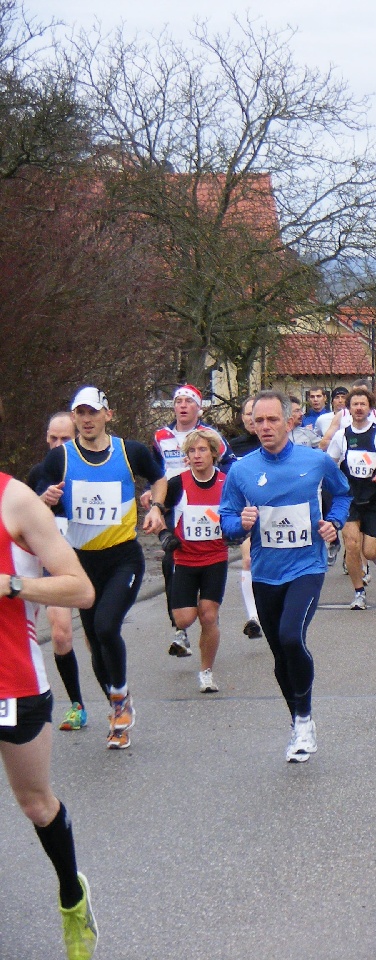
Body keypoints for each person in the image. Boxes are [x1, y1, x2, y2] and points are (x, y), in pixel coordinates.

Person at [0, 459, 99, 959]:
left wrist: (13, 585)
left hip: (12, 684)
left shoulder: (15, 500)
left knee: (36, 805)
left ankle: (72, 897)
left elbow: (80, 589)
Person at [219, 391, 352, 763]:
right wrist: (240, 524)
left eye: (272, 419)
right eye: (258, 420)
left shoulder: (315, 461)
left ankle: (305, 719)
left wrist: (334, 522)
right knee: (279, 651)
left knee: (292, 636)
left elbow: (343, 495)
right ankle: (297, 721)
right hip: (266, 572)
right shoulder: (241, 470)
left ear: (290, 420)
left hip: (307, 567)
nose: (264, 426)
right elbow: (226, 520)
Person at [36, 386, 168, 750]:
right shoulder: (60, 458)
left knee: (107, 626)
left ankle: (120, 698)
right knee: (95, 641)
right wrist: (45, 498)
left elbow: (159, 478)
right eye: (80, 413)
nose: (87, 419)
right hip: (81, 563)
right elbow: (35, 498)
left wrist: (157, 507)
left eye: (93, 412)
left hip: (123, 557)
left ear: (108, 415)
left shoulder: (130, 451)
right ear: (74, 417)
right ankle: (117, 711)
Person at [152, 384, 230, 657]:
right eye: (178, 401)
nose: (183, 406)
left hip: (206, 500)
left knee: (207, 604)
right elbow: (153, 471)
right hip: (174, 500)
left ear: (199, 408)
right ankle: (180, 628)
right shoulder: (161, 436)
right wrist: (151, 495)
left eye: (188, 401)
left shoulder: (212, 436)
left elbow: (229, 464)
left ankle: (207, 610)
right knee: (169, 562)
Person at [157, 428, 231, 693]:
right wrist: (164, 534)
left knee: (208, 616)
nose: (197, 456)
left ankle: (206, 672)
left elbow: (238, 513)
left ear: (213, 453)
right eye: (191, 451)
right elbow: (156, 512)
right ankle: (196, 612)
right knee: (184, 619)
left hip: (215, 557)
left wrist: (237, 530)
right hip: (185, 559)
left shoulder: (226, 482)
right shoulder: (177, 483)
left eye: (202, 450)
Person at [28, 413, 88, 732]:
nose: (57, 444)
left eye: (65, 439)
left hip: (92, 557)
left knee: (97, 636)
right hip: (56, 564)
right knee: (61, 633)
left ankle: (116, 694)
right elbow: (23, 518)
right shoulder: (40, 473)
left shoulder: (92, 469)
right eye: (53, 438)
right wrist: (43, 501)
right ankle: (77, 705)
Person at [327, 386, 376, 610]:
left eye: (363, 404)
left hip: (375, 497)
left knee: (369, 551)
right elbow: (330, 463)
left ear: (370, 408)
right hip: (348, 497)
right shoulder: (341, 436)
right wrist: (334, 481)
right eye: (355, 404)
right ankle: (359, 592)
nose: (359, 408)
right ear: (348, 409)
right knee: (351, 544)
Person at [228, 398, 263, 640]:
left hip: (273, 513)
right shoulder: (232, 447)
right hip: (246, 514)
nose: (252, 419)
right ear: (242, 417)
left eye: (256, 414)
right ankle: (253, 618)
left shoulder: (274, 444)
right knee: (248, 560)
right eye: (248, 414)